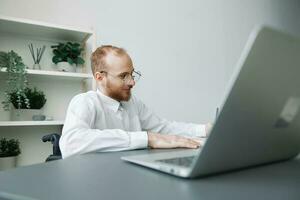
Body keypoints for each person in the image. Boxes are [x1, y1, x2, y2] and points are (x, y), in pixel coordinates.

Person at [59, 45, 211, 158]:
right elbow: (70, 143)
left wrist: (204, 130)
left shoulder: (133, 104)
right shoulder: (85, 102)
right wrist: (147, 138)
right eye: (123, 76)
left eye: (131, 74)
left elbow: (163, 128)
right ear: (100, 77)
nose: (132, 82)